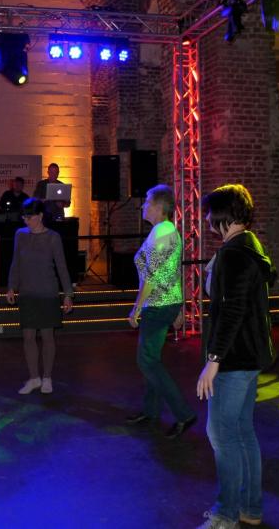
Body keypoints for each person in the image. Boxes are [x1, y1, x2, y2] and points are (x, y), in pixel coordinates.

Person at [196, 184, 276, 529]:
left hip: (234, 358)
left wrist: (213, 362)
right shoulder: (250, 245)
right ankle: (250, 508)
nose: (207, 221)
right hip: (250, 355)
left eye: (210, 214)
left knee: (221, 434)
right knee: (242, 432)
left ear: (222, 215)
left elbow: (231, 312)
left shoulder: (233, 254)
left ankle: (226, 514)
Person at [127, 185, 196, 439]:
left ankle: (184, 414)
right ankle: (150, 410)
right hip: (165, 302)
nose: (143, 205)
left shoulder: (162, 231)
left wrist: (136, 308)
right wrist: (178, 307)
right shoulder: (165, 231)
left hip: (157, 304)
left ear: (158, 207)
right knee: (152, 359)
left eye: (147, 201)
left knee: (146, 360)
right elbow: (173, 270)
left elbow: (152, 275)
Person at [6, 198, 74, 394]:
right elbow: (16, 262)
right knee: (28, 336)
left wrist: (68, 294)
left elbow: (61, 267)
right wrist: (11, 286)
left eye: (30, 217)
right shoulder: (20, 235)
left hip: (47, 292)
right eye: (24, 218)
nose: (26, 221)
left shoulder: (53, 237)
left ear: (40, 216)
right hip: (27, 292)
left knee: (47, 335)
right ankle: (34, 378)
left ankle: (47, 377)